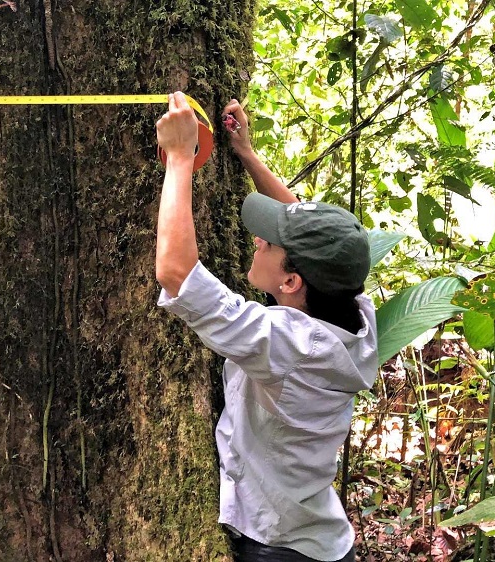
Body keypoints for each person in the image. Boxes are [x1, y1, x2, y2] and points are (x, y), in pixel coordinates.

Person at [154, 92, 378, 562]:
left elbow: (178, 274)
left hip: (279, 548)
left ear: (292, 281)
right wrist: (247, 155)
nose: (257, 239)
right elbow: (321, 243)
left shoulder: (285, 345)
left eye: (268, 242)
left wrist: (179, 157)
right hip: (324, 538)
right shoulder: (353, 314)